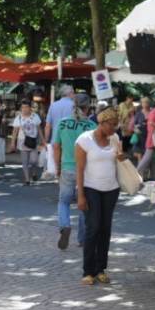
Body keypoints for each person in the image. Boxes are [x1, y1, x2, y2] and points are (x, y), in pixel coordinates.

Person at [75, 107, 123, 285]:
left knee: (105, 228)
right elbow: (79, 169)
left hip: (111, 188)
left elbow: (120, 161)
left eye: (116, 125)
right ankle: (88, 271)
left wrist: (122, 157)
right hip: (91, 188)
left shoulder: (115, 138)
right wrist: (80, 195)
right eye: (111, 125)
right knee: (93, 227)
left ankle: (101, 268)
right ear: (101, 123)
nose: (114, 129)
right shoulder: (84, 140)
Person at [53, 93, 96, 250]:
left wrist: (57, 167)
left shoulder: (62, 123)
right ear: (88, 107)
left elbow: (56, 146)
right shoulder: (92, 126)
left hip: (67, 167)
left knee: (63, 201)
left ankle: (65, 225)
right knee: (83, 203)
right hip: (86, 171)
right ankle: (83, 239)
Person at [11, 99, 45, 185]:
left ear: (30, 108)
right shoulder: (18, 118)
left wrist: (43, 140)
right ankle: (27, 179)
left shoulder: (35, 116)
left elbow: (39, 129)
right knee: (25, 161)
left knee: (34, 160)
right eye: (22, 107)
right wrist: (12, 143)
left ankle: (33, 172)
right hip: (22, 141)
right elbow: (15, 131)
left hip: (33, 140)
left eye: (26, 107)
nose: (24, 109)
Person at [44, 84, 75, 177]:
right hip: (70, 138)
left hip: (55, 138)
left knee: (57, 159)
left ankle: (58, 172)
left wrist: (46, 140)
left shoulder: (53, 105)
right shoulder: (74, 105)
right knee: (69, 159)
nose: (74, 94)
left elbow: (48, 125)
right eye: (73, 92)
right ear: (70, 93)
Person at [132, 97, 152, 161]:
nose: (145, 104)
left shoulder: (152, 112)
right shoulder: (138, 114)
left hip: (149, 137)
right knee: (140, 155)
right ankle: (139, 171)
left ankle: (150, 171)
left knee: (148, 157)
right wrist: (136, 129)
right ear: (141, 104)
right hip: (140, 137)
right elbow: (133, 125)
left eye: (146, 102)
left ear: (149, 103)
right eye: (143, 102)